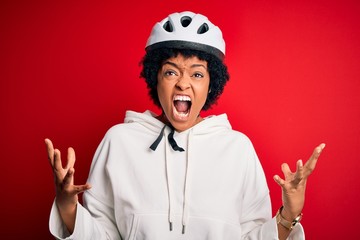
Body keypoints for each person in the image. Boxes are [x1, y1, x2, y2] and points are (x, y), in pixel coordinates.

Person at [45, 11, 325, 240]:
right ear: (155, 79)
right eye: (170, 71)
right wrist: (68, 205)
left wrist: (289, 214)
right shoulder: (119, 142)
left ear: (210, 84)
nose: (183, 82)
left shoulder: (237, 149)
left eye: (197, 74)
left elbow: (253, 237)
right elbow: (101, 235)